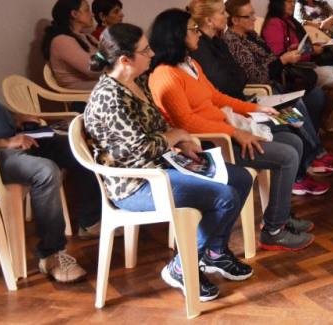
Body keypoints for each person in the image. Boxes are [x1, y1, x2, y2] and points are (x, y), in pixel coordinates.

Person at [84, 23, 255, 302]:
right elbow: (141, 149)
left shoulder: (136, 80)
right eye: (145, 50)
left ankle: (213, 252)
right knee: (224, 196)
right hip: (135, 184)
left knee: (240, 178)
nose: (152, 53)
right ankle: (181, 267)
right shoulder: (110, 97)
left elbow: (159, 124)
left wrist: (183, 141)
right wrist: (177, 134)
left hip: (161, 166)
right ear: (125, 59)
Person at [147, 8, 329, 204]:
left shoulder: (189, 64)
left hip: (225, 129)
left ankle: (280, 218)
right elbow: (186, 122)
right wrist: (234, 132)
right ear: (177, 36)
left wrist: (255, 109)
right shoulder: (166, 75)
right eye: (193, 29)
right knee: (288, 154)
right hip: (211, 143)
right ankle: (275, 228)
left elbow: (217, 98)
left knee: (293, 140)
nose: (198, 33)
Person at [201, 0, 333, 175]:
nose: (254, 19)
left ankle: (313, 153)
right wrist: (282, 61)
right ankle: (314, 154)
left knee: (315, 97)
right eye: (249, 16)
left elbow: (265, 61)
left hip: (274, 85)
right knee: (295, 105)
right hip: (263, 90)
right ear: (236, 20)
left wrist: (285, 54)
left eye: (253, 13)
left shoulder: (251, 35)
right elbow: (254, 75)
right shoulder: (232, 42)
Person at [0, 98, 101, 283]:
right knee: (45, 171)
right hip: (0, 154)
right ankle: (51, 255)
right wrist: (5, 142)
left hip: (14, 140)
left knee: (79, 148)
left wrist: (17, 118)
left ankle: (90, 222)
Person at [262, 0, 333, 133]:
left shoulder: (289, 20)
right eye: (289, 1)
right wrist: (311, 50)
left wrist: (312, 46)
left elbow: (294, 47)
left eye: (294, 1)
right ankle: (324, 119)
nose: (293, 4)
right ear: (278, 2)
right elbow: (280, 55)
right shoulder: (275, 23)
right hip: (297, 69)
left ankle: (318, 129)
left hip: (305, 62)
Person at [41, 0, 99, 90]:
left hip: (95, 86)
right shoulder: (62, 41)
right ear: (74, 14)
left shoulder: (88, 38)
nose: (92, 14)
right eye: (87, 10)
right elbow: (93, 69)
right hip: (79, 95)